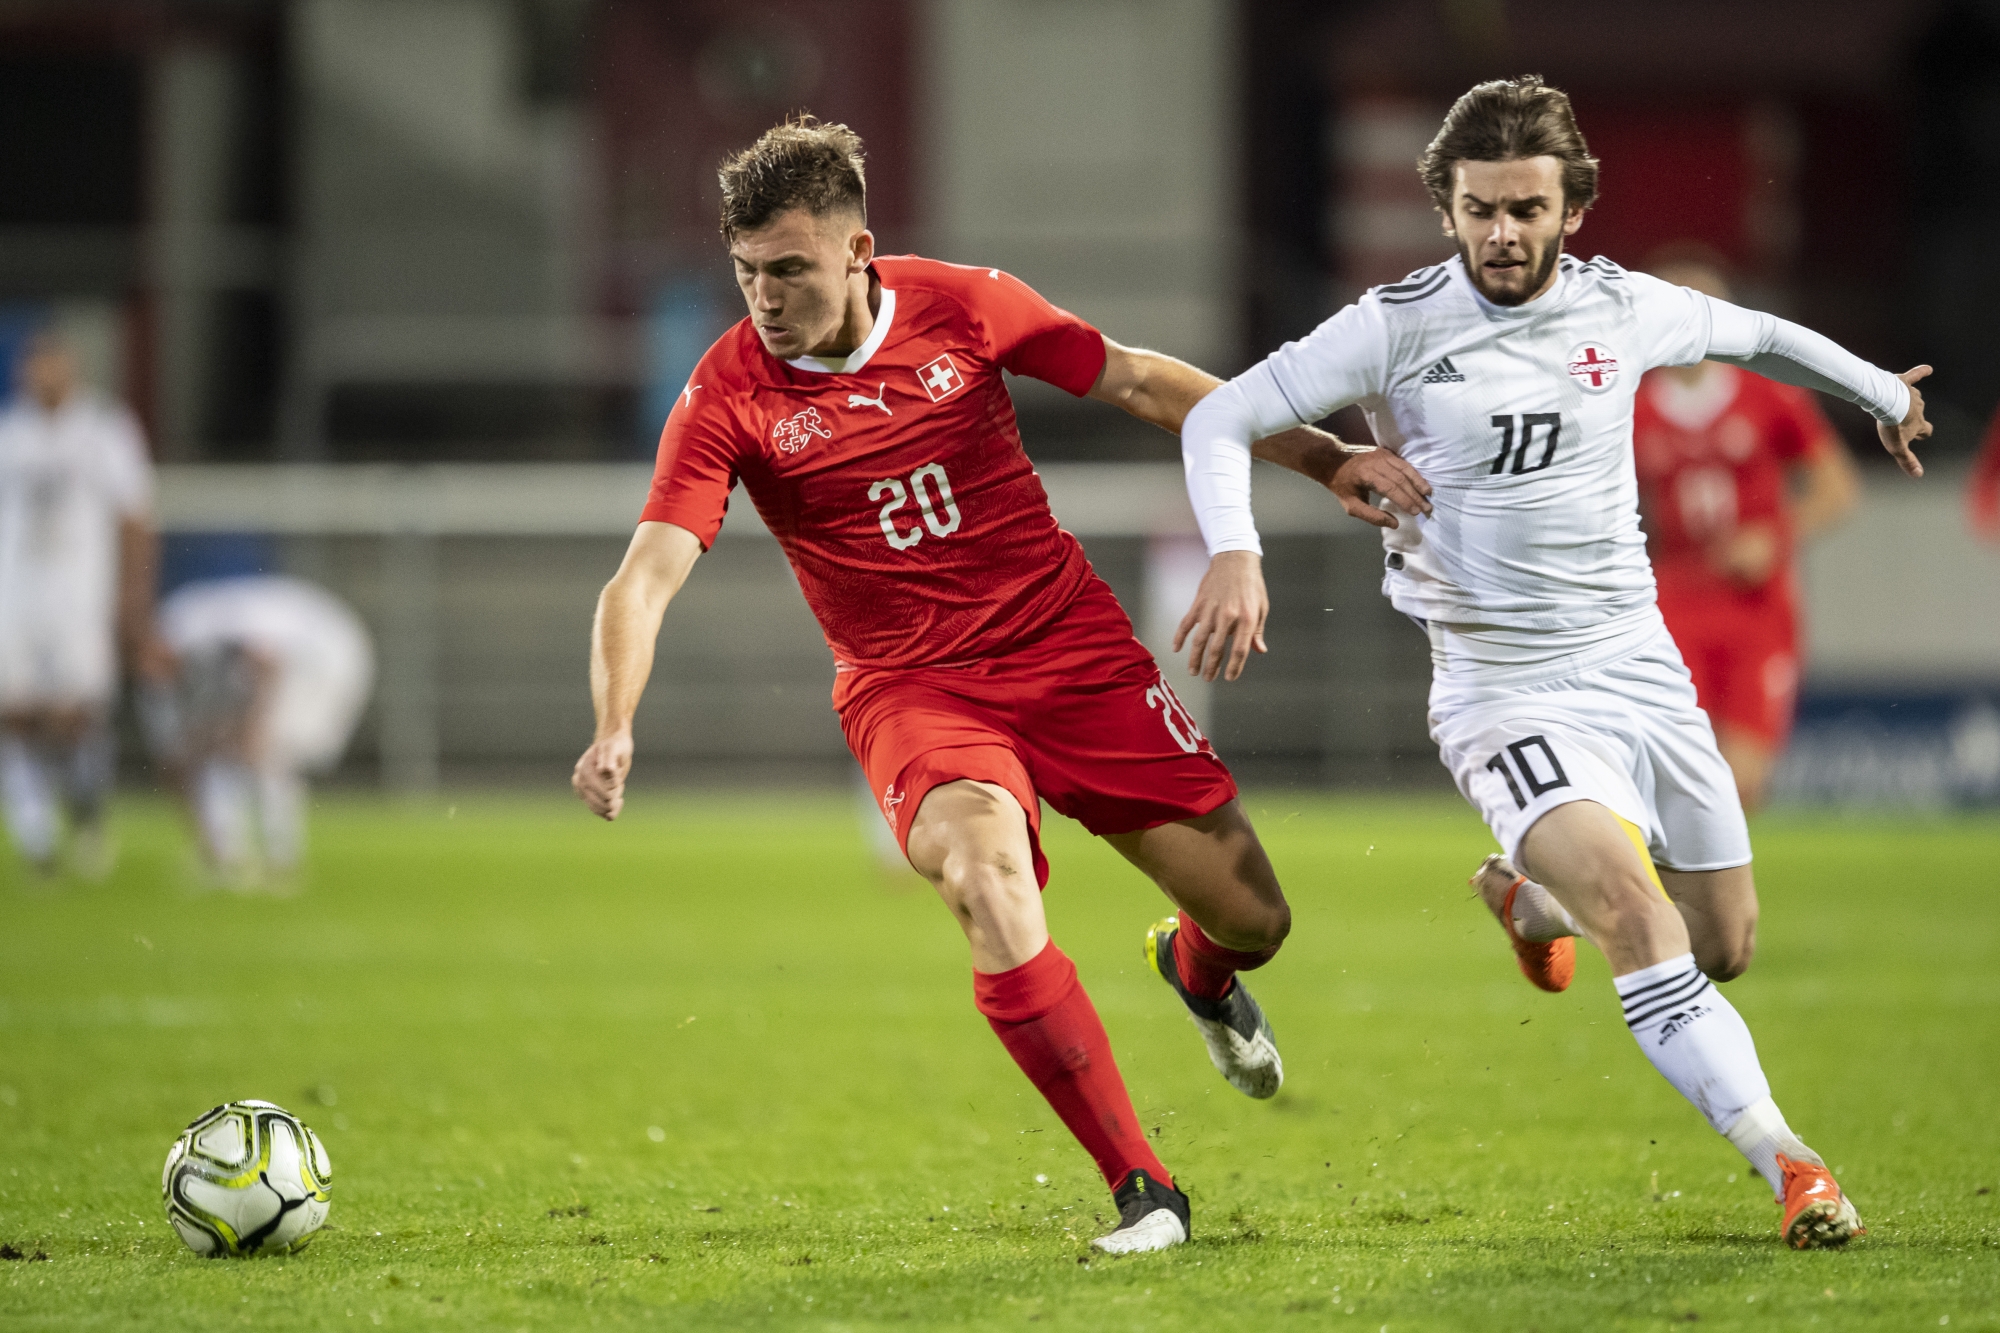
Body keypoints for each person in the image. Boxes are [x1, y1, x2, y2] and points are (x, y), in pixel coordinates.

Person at [571, 116, 1427, 1254]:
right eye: (745, 273)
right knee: (982, 878)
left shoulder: (962, 306)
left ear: (857, 248)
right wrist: (613, 722)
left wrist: (1323, 459)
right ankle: (1143, 1188)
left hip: (1065, 650)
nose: (763, 299)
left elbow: (1136, 379)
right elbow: (646, 573)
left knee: (1254, 918)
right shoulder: (727, 393)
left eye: (788, 269)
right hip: (912, 689)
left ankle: (1195, 967)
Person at [1176, 76, 1930, 1250]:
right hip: (1498, 686)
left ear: (1568, 207)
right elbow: (1213, 417)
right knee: (1638, 915)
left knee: (1723, 943)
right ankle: (1792, 1165)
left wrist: (1880, 394)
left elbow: (1762, 336)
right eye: (1479, 208)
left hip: (1637, 664)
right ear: (1445, 207)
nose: (1501, 233)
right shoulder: (1392, 323)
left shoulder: (1623, 307)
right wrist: (1236, 551)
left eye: (1525, 208)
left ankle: (1527, 902)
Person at [1632, 252, 1859, 809]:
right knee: (1677, 774)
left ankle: (1704, 894)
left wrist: (1774, 536)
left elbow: (1837, 489)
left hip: (1759, 606)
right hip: (1673, 600)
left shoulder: (1769, 395)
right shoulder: (1627, 408)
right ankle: (1672, 894)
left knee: (1745, 782)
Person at [0, 329, 164, 879]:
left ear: (72, 369)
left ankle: (88, 814)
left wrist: (133, 600)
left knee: (80, 715)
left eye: (53, 364)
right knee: (14, 715)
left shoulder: (103, 429)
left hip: (79, 597)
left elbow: (135, 515)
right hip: (14, 598)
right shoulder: (10, 433)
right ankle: (37, 837)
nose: (42, 375)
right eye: (34, 364)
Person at [146, 575, 374, 890]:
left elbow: (268, 662)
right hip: (299, 653)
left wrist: (255, 726)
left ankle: (278, 861)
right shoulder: (180, 644)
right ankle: (226, 856)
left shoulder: (196, 631)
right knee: (225, 752)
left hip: (322, 656)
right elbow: (176, 760)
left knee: (265, 755)